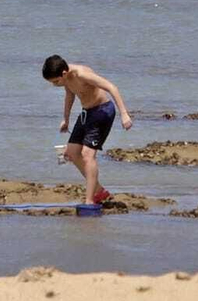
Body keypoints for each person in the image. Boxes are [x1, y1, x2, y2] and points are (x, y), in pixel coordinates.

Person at [42, 54, 132, 205]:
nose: (55, 85)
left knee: (87, 155)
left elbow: (111, 87)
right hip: (86, 113)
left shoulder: (83, 75)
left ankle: (90, 200)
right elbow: (70, 96)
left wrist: (124, 115)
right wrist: (66, 119)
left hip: (102, 112)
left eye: (56, 81)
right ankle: (99, 190)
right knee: (70, 153)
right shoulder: (66, 79)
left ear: (63, 73)